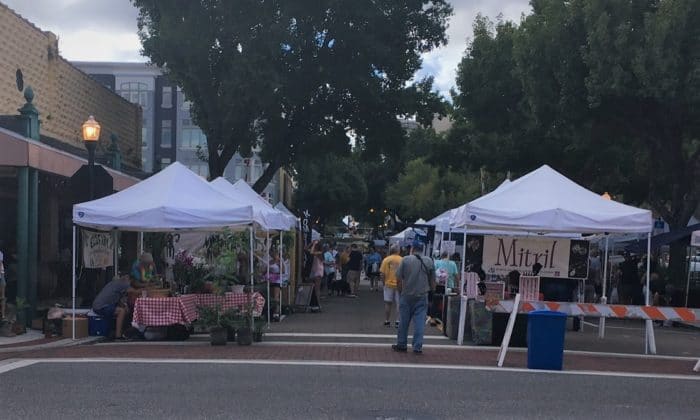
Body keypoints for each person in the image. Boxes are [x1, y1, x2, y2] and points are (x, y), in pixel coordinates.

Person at [392, 242, 435, 354]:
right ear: (422, 249)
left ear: (412, 248)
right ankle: (417, 346)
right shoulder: (429, 261)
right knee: (420, 322)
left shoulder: (405, 260)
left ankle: (401, 344)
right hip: (422, 295)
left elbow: (398, 279)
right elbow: (433, 281)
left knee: (403, 321)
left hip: (407, 295)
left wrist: (401, 291)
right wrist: (432, 293)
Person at [92, 275, 133, 340]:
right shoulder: (123, 283)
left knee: (124, 310)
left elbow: (117, 300)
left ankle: (116, 331)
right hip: (101, 307)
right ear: (128, 280)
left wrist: (125, 306)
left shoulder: (113, 283)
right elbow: (133, 291)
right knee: (121, 311)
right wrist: (145, 289)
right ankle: (118, 336)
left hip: (97, 305)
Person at [380, 245, 402, 327]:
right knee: (399, 303)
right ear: (398, 251)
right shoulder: (402, 260)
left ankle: (387, 320)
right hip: (399, 284)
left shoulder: (386, 260)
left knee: (388, 303)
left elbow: (382, 274)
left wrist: (384, 283)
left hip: (388, 284)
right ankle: (398, 321)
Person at [307, 240, 324, 310]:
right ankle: (314, 303)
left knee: (317, 289)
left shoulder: (319, 253)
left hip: (318, 271)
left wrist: (313, 244)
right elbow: (306, 248)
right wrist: (311, 243)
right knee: (312, 288)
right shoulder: (316, 252)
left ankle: (319, 304)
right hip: (314, 270)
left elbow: (311, 252)